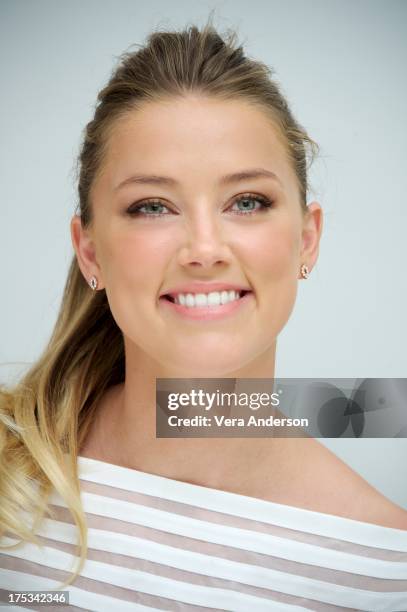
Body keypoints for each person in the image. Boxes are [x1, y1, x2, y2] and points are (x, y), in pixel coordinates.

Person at [1, 18, 406, 611]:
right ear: (90, 250)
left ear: (307, 239)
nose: (205, 248)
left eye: (247, 202)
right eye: (152, 206)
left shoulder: (386, 570)